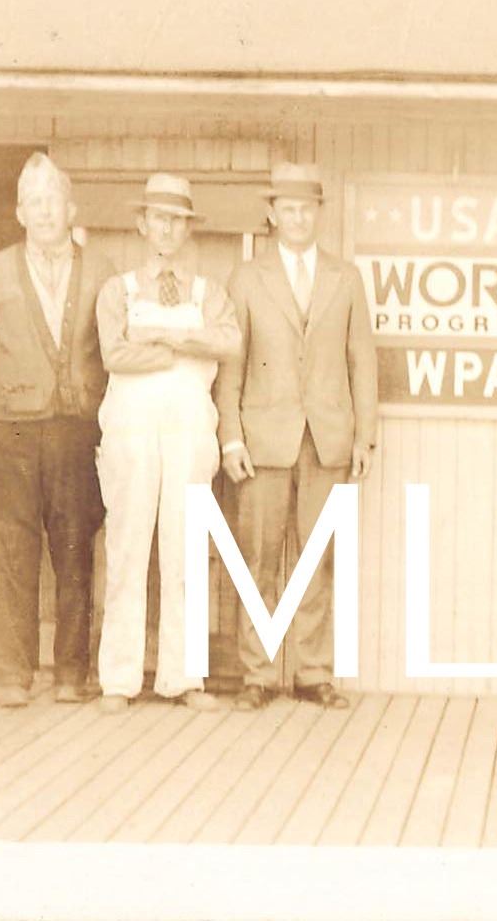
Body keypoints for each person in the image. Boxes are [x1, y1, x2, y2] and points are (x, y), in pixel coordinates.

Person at [215, 162, 378, 711]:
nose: (298, 218)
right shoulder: (247, 278)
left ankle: (312, 672)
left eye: (307, 209)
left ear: (319, 214)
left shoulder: (345, 277)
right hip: (263, 440)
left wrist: (364, 436)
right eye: (288, 209)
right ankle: (257, 674)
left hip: (327, 438)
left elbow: (362, 361)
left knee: (317, 558)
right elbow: (231, 365)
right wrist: (231, 437)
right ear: (272, 213)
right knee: (257, 559)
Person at [0, 153, 113, 707]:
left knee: (74, 549)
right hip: (12, 432)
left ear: (71, 209)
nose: (45, 211)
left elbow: (115, 347)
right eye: (33, 202)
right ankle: (13, 673)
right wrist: (8, 401)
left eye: (53, 201)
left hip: (78, 431)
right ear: (19, 213)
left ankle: (72, 672)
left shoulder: (102, 270)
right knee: (12, 548)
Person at [92, 173, 240, 713]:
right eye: (159, 218)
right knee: (127, 544)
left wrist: (162, 335)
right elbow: (114, 354)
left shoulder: (208, 292)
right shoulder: (118, 290)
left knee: (186, 545)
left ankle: (184, 677)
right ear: (142, 224)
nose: (168, 229)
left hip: (189, 425)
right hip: (131, 425)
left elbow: (229, 342)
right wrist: (179, 350)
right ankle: (119, 678)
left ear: (188, 228)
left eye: (177, 220)